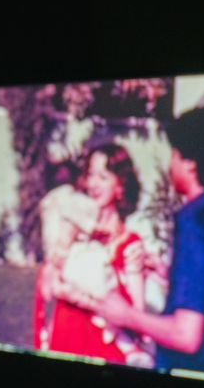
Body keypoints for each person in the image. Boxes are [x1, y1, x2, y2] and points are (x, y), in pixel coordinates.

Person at [92, 106, 204, 378]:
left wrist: (126, 315)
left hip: (187, 378)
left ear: (190, 162)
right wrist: (169, 273)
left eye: (174, 154)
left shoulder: (194, 223)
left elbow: (186, 336)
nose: (170, 163)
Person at [39, 144, 148, 365]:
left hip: (104, 348)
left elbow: (138, 314)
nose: (93, 184)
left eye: (103, 176)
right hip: (65, 336)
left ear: (120, 186)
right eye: (90, 175)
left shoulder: (129, 244)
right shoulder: (71, 233)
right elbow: (47, 287)